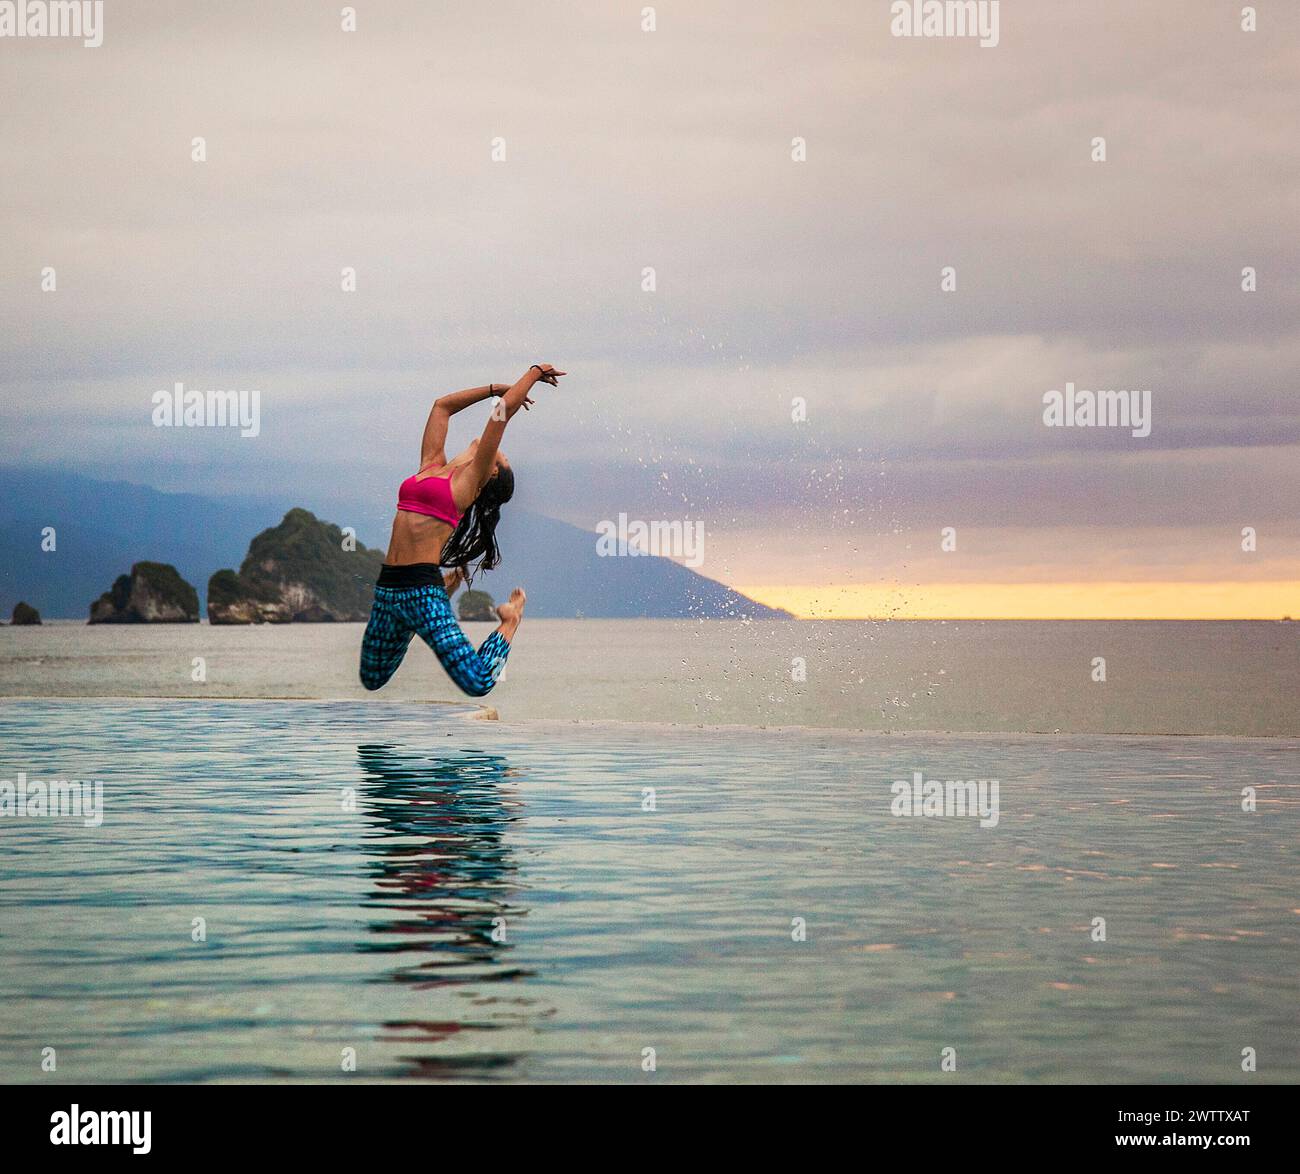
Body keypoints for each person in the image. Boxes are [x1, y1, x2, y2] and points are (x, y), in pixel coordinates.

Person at [358, 362, 565, 696]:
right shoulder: (431, 466)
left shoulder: (467, 484)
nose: (492, 446)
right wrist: (494, 387)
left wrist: (534, 372)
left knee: (479, 682)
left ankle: (510, 621)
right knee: (372, 678)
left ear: (490, 473)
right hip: (388, 588)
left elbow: (503, 412)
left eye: (500, 455)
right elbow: (442, 406)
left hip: (422, 593)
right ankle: (428, 610)